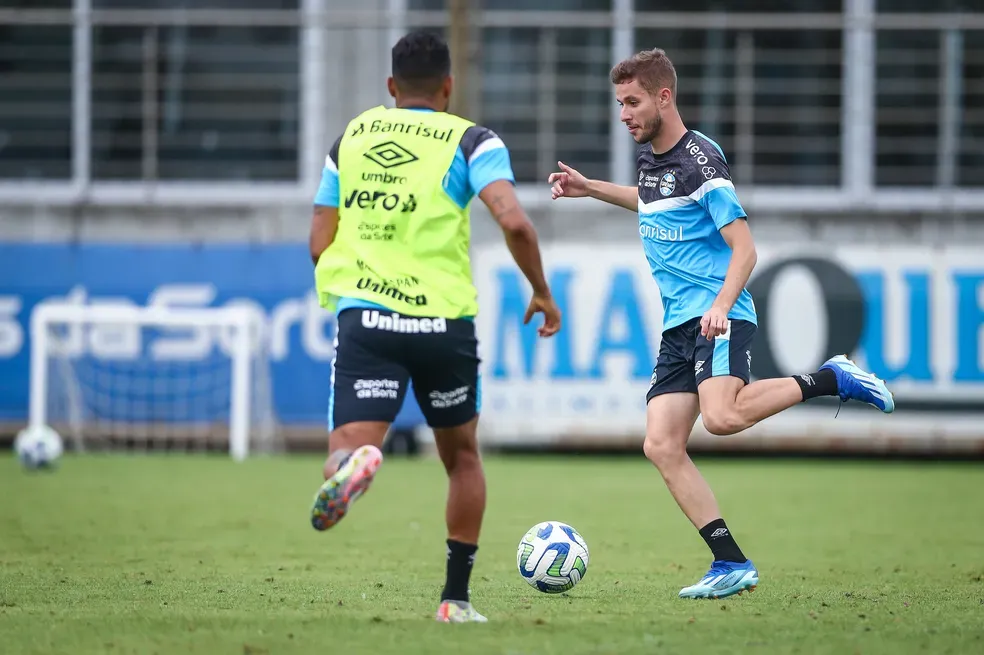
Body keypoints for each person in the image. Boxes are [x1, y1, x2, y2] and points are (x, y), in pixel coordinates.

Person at [548, 48, 894, 599]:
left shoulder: (700, 159)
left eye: (632, 102)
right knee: (661, 445)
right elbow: (653, 201)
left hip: (719, 316)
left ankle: (831, 380)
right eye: (619, 103)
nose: (624, 114)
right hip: (678, 326)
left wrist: (720, 305)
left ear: (665, 97)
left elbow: (745, 248)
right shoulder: (653, 161)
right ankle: (730, 563)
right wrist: (591, 188)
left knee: (722, 418)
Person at [309, 31, 561, 622]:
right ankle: (455, 599)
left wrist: (362, 281)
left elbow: (320, 239)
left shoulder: (351, 138)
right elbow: (516, 223)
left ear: (392, 88)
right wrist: (542, 292)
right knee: (462, 458)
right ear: (449, 86)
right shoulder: (472, 140)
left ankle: (351, 468)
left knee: (346, 445)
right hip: (443, 324)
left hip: (368, 317)